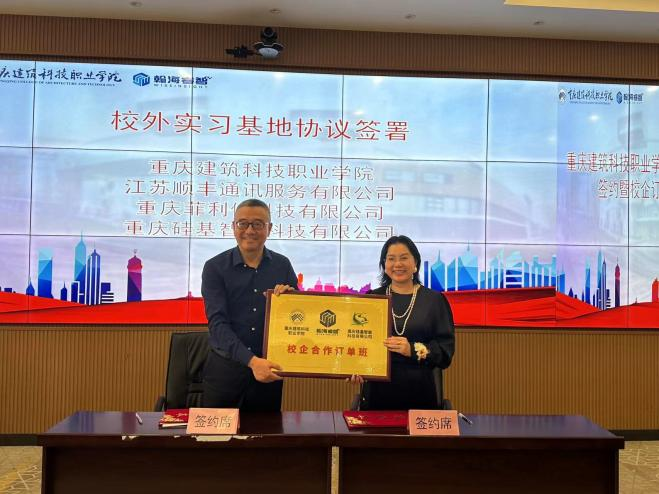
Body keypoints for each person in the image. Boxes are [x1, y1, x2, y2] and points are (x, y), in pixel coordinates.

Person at [201, 199, 298, 411]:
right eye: (243, 223)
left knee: (265, 432)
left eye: (258, 224)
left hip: (268, 373)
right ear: (233, 226)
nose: (250, 230)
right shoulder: (214, 267)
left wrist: (290, 302)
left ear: (269, 228)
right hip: (225, 373)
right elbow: (217, 324)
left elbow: (297, 319)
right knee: (217, 432)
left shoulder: (282, 265)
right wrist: (253, 362)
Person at [353, 235, 455, 410]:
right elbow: (358, 341)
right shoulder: (372, 298)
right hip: (377, 393)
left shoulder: (434, 301)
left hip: (420, 394)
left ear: (415, 263)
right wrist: (355, 367)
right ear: (384, 265)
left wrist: (412, 349)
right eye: (391, 259)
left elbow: (445, 353)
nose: (397, 264)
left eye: (404, 258)